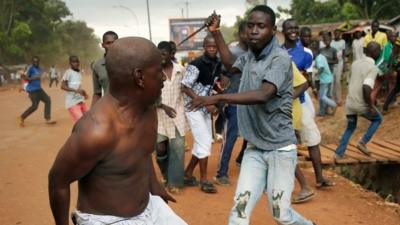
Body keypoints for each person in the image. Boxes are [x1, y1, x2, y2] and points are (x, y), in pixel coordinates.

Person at [195, 6, 315, 225]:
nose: (254, 31)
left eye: (261, 26)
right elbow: (231, 66)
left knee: (281, 215)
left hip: (280, 148)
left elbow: (263, 94)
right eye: (251, 25)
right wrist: (216, 32)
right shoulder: (251, 55)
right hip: (255, 148)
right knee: (238, 213)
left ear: (272, 30)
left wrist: (220, 99)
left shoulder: (279, 58)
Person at [48, 37, 187, 225]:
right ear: (139, 77)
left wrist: (154, 186)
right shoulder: (96, 132)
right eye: (158, 71)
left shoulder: (148, 110)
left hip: (149, 207)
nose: (163, 77)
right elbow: (58, 182)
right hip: (107, 221)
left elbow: (143, 153)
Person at [282, 20, 334, 204]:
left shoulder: (306, 53)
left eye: (296, 28)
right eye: (290, 29)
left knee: (312, 139)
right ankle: (294, 185)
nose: (294, 31)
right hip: (281, 105)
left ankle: (319, 178)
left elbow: (307, 79)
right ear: (283, 31)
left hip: (300, 102)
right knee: (286, 143)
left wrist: (308, 91)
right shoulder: (277, 52)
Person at [181, 34, 221, 194]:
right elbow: (185, 86)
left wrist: (212, 102)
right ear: (204, 47)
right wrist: (204, 102)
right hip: (193, 107)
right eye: (209, 46)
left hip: (204, 107)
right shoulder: (195, 64)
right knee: (204, 140)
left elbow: (213, 85)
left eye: (214, 46)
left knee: (202, 142)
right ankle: (204, 179)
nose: (212, 49)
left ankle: (188, 173)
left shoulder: (217, 63)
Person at [334, 42, 382, 160]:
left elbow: (350, 81)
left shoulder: (355, 64)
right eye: (379, 51)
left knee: (350, 127)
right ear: (376, 53)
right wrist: (370, 106)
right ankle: (363, 142)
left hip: (350, 103)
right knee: (378, 118)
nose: (379, 53)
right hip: (361, 104)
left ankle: (338, 154)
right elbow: (366, 87)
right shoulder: (373, 68)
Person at [214, 21, 248, 186]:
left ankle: (242, 159)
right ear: (241, 34)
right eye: (248, 32)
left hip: (251, 101)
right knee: (230, 137)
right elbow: (221, 75)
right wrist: (222, 97)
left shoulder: (256, 53)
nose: (252, 35)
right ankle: (221, 173)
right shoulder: (232, 53)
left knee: (251, 135)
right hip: (234, 101)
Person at [155, 41, 187, 194]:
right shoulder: (153, 73)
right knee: (160, 149)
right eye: (158, 54)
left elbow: (186, 89)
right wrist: (162, 106)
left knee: (177, 149)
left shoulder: (180, 70)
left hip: (177, 114)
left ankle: (175, 182)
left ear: (170, 55)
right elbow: (148, 95)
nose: (161, 57)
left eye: (164, 54)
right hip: (158, 116)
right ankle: (166, 175)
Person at [18, 56, 56, 127]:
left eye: (37, 61)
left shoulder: (39, 69)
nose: (36, 63)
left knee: (48, 100)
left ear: (39, 62)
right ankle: (22, 117)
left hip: (39, 89)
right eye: (34, 61)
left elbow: (41, 76)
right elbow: (24, 77)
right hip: (32, 90)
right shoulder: (30, 68)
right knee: (35, 106)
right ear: (32, 62)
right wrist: (34, 78)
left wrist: (42, 76)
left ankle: (47, 119)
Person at [91, 31, 118, 107]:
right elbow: (97, 93)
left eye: (114, 42)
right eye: (108, 43)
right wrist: (92, 113)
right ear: (103, 45)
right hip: (109, 109)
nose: (111, 46)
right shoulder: (97, 66)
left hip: (129, 110)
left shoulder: (128, 62)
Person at [60, 56, 88, 123]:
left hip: (81, 101)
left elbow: (79, 87)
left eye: (77, 62)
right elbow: (62, 86)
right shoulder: (68, 72)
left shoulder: (79, 73)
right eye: (73, 62)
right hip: (72, 103)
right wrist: (76, 91)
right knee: (81, 123)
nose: (76, 63)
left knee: (88, 120)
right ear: (70, 63)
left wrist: (84, 94)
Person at [312, 42, 337, 116]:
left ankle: (333, 105)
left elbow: (321, 68)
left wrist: (315, 74)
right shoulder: (321, 56)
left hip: (325, 80)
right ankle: (322, 112)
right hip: (327, 78)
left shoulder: (318, 58)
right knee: (322, 96)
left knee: (322, 96)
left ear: (315, 51)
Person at [383, 38, 400, 112]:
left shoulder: (393, 54)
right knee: (395, 90)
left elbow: (389, 66)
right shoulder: (396, 55)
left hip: (398, 74)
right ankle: (385, 106)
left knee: (394, 90)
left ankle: (385, 106)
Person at [331, 29, 346, 105]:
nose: (337, 34)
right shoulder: (331, 42)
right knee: (332, 82)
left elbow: (343, 53)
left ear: (340, 34)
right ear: (334, 34)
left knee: (337, 81)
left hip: (340, 63)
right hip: (332, 64)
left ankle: (339, 99)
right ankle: (333, 99)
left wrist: (345, 65)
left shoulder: (343, 42)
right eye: (335, 33)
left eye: (338, 33)